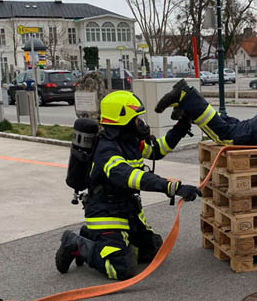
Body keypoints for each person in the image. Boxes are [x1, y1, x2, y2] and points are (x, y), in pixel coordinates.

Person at [55, 91, 201, 280]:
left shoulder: (130, 142)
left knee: (153, 248)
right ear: (121, 121)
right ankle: (74, 244)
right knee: (122, 268)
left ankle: (95, 238)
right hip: (105, 212)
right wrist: (172, 187)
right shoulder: (106, 149)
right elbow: (129, 176)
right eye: (136, 118)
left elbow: (157, 150)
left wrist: (181, 126)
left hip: (127, 210)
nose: (140, 123)